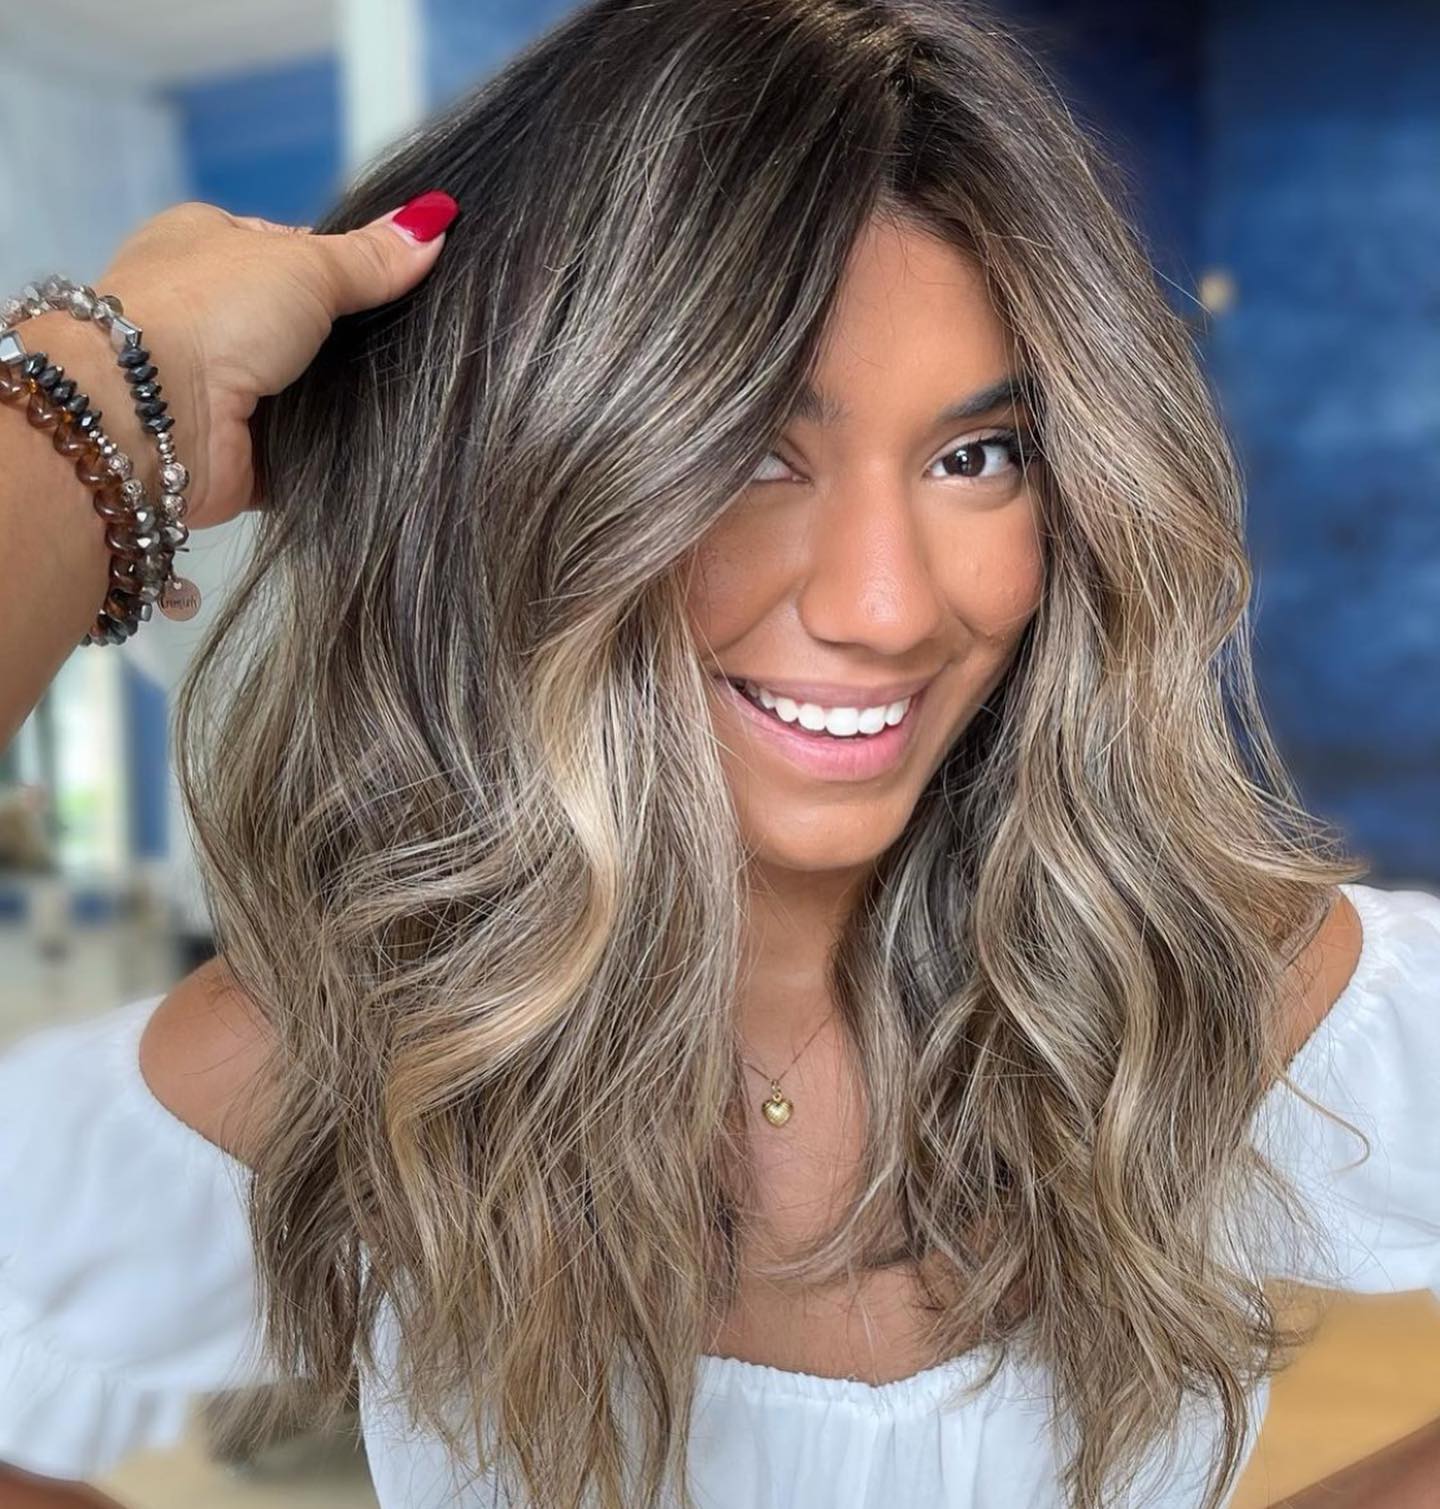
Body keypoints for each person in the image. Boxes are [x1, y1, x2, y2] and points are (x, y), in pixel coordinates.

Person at [1, 2, 1437, 1506]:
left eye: (977, 457)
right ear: (532, 484)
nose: (887, 607)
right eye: (752, 453)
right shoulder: (350, 1048)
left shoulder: (1194, 984)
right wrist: (102, 388)